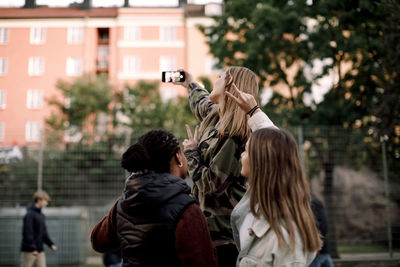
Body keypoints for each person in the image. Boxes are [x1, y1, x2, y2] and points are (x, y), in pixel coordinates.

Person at [91, 129, 218, 267]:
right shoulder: (187, 210)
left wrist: (130, 191)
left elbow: (98, 242)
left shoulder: (125, 202)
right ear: (178, 158)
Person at [227, 85, 322, 266]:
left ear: (259, 162)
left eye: (246, 151)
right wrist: (253, 113)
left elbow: (278, 149)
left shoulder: (285, 239)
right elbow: (279, 150)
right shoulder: (259, 200)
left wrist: (255, 110)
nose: (242, 155)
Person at [175, 67, 259, 266]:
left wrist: (192, 153)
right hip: (208, 236)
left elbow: (210, 186)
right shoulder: (216, 116)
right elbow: (201, 103)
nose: (216, 79)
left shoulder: (233, 136)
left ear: (229, 84)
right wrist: (189, 82)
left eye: (220, 77)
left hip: (225, 240)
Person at [20, 190, 57, 267]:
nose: (47, 203)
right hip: (29, 251)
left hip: (40, 250)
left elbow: (43, 233)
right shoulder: (29, 215)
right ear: (39, 200)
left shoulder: (41, 215)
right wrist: (32, 248)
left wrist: (50, 244)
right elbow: (27, 232)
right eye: (45, 200)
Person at [309, 195, 334, 267]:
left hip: (317, 250)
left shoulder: (311, 202)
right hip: (322, 249)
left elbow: (322, 226)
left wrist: (316, 245)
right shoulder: (313, 201)